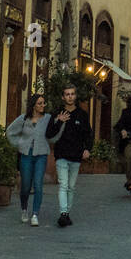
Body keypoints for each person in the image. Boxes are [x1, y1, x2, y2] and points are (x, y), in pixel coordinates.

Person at [45, 84, 93, 227]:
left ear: (75, 96)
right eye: (67, 94)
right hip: (61, 154)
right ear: (63, 97)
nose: (70, 97)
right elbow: (49, 134)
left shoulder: (82, 115)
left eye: (72, 94)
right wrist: (59, 121)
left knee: (71, 187)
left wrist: (88, 149)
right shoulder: (57, 113)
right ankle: (63, 213)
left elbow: (88, 135)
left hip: (76, 155)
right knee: (63, 185)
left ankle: (67, 213)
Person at [6, 92, 52, 226]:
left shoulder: (48, 118)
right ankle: (24, 209)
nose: (43, 105)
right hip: (26, 155)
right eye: (40, 103)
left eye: (44, 103)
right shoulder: (23, 118)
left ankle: (35, 214)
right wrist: (19, 144)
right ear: (33, 105)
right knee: (25, 186)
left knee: (38, 184)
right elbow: (10, 131)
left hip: (41, 154)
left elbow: (55, 131)